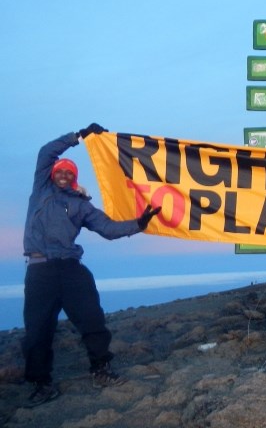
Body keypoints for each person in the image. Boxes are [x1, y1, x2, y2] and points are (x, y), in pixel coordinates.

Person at [22, 123, 162, 407]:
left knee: (92, 320)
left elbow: (108, 229)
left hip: (71, 268)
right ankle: (41, 383)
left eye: (69, 173)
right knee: (37, 330)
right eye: (59, 171)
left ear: (74, 179)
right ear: (51, 174)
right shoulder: (40, 190)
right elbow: (46, 151)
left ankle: (101, 369)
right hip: (39, 270)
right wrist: (78, 136)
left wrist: (139, 224)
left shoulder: (81, 205)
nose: (63, 174)